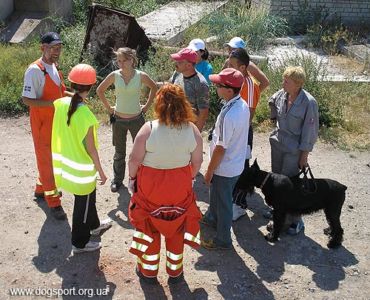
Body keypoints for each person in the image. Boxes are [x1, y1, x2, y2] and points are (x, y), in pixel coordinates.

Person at [128, 84, 203, 284]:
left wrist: (132, 179)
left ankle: (148, 271)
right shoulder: (193, 130)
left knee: (148, 227)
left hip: (151, 190)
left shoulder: (148, 129)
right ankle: (175, 272)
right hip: (179, 189)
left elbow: (134, 160)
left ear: (159, 104)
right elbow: (197, 162)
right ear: (183, 104)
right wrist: (189, 177)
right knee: (176, 229)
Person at [52, 64, 112, 254]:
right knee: (82, 205)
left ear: (71, 83)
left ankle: (94, 226)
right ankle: (80, 243)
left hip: (68, 163)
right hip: (82, 169)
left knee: (88, 201)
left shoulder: (61, 103)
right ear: (91, 87)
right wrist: (101, 172)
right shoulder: (85, 114)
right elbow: (91, 149)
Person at [201, 68, 250, 250]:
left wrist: (209, 170)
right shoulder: (240, 104)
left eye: (218, 85)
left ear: (229, 90)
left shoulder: (229, 115)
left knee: (224, 203)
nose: (215, 86)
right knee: (217, 195)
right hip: (234, 165)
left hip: (225, 167)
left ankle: (223, 239)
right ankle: (211, 218)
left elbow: (221, 148)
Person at [97, 47, 157, 193]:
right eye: (118, 61)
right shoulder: (114, 75)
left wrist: (147, 107)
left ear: (132, 60)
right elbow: (100, 90)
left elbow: (154, 88)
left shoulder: (140, 75)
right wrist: (109, 108)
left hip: (137, 119)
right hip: (118, 120)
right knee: (119, 153)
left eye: (124, 60)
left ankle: (140, 179)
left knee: (141, 152)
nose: (121, 64)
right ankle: (117, 181)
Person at [22, 32, 68, 220]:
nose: (56, 51)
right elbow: (26, 99)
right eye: (52, 48)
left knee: (52, 159)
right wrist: (54, 104)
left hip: (55, 123)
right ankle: (54, 203)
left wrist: (76, 99)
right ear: (43, 48)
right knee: (47, 162)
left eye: (59, 48)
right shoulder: (34, 70)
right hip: (42, 125)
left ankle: (41, 189)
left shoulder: (54, 67)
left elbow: (60, 93)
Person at [268, 66, 319, 235]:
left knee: (290, 185)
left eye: (286, 81)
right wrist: (273, 117)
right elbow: (271, 100)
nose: (283, 83)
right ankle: (278, 213)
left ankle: (295, 221)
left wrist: (304, 156)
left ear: (298, 84)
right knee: (277, 181)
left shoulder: (308, 102)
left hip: (293, 150)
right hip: (277, 145)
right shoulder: (282, 94)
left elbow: (309, 132)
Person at [226, 48, 261, 221]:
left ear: (242, 67)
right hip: (234, 131)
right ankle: (232, 199)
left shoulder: (249, 85)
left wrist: (236, 135)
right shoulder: (236, 82)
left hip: (242, 133)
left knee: (242, 167)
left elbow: (249, 113)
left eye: (231, 65)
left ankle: (240, 205)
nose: (228, 67)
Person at [169, 48, 209, 132]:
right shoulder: (177, 74)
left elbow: (203, 113)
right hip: (174, 125)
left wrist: (195, 135)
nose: (175, 64)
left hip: (189, 129)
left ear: (189, 65)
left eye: (179, 62)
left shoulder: (201, 84)